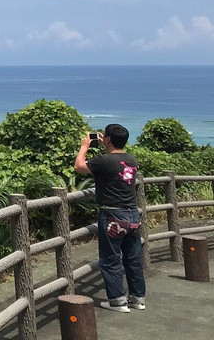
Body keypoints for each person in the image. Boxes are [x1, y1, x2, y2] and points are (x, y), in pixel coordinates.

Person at [75, 123, 146, 312]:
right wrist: (107, 141)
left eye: (105, 136)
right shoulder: (131, 159)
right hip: (132, 215)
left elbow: (79, 166)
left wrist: (84, 147)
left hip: (113, 215)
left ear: (107, 139)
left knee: (110, 259)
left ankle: (117, 301)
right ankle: (138, 299)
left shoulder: (104, 161)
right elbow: (117, 165)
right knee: (133, 258)